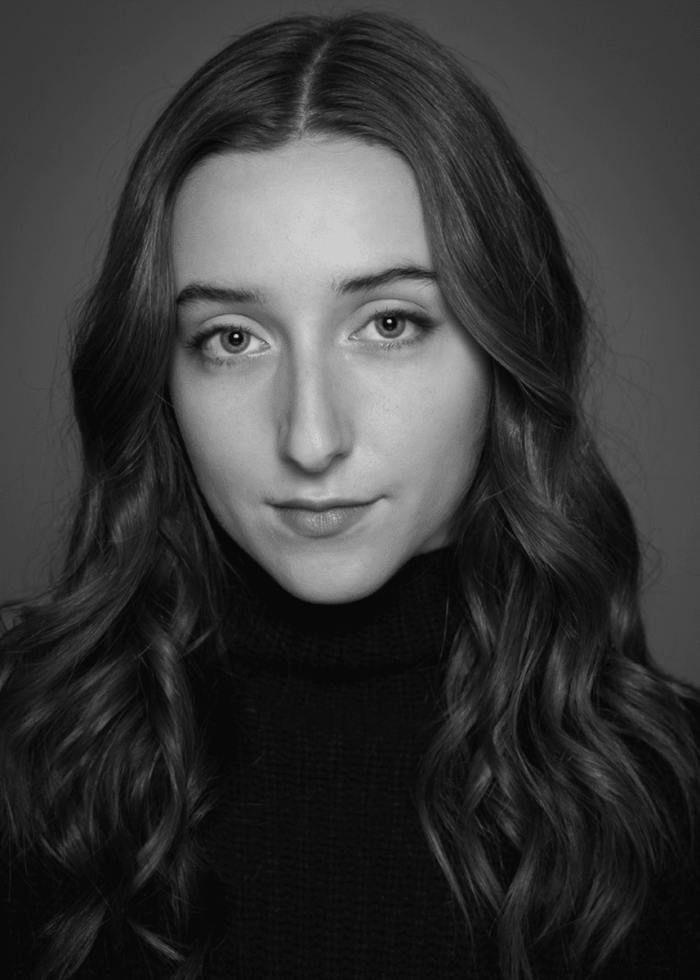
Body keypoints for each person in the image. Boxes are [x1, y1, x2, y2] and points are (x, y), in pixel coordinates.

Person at [1, 10, 699, 980]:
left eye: (388, 322)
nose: (310, 437)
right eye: (232, 338)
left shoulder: (669, 798)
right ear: (159, 375)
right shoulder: (25, 753)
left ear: (503, 347)